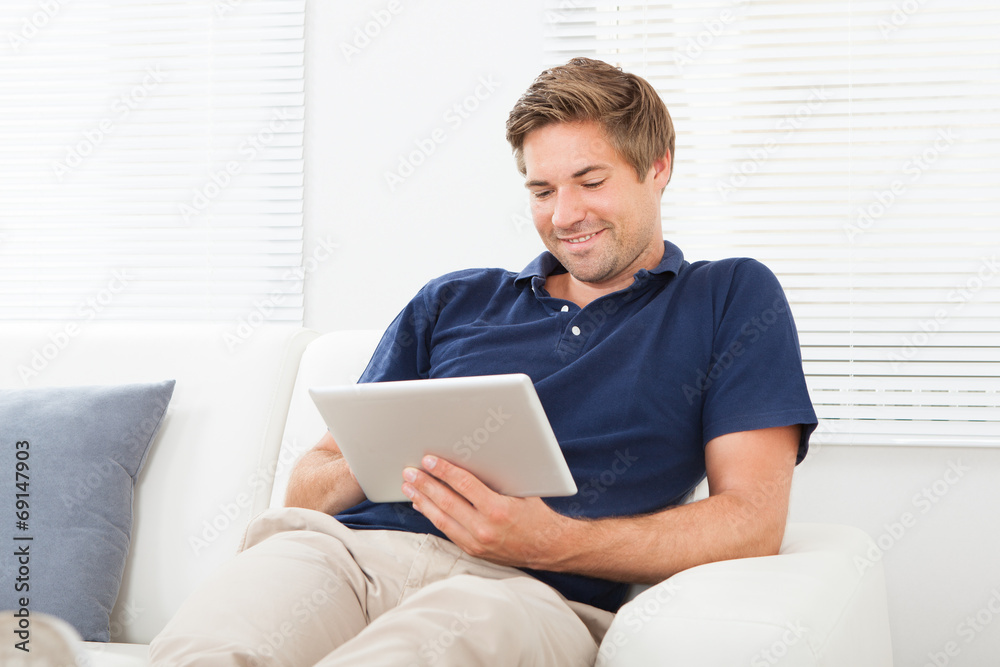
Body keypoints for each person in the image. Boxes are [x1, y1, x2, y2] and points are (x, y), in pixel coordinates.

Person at [150, 57, 817, 667]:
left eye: (590, 180)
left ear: (658, 166)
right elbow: (306, 488)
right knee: (211, 645)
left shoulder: (728, 295)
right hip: (351, 557)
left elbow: (752, 519)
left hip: (528, 592)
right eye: (542, 189)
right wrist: (400, 443)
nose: (565, 214)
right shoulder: (456, 298)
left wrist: (549, 541)